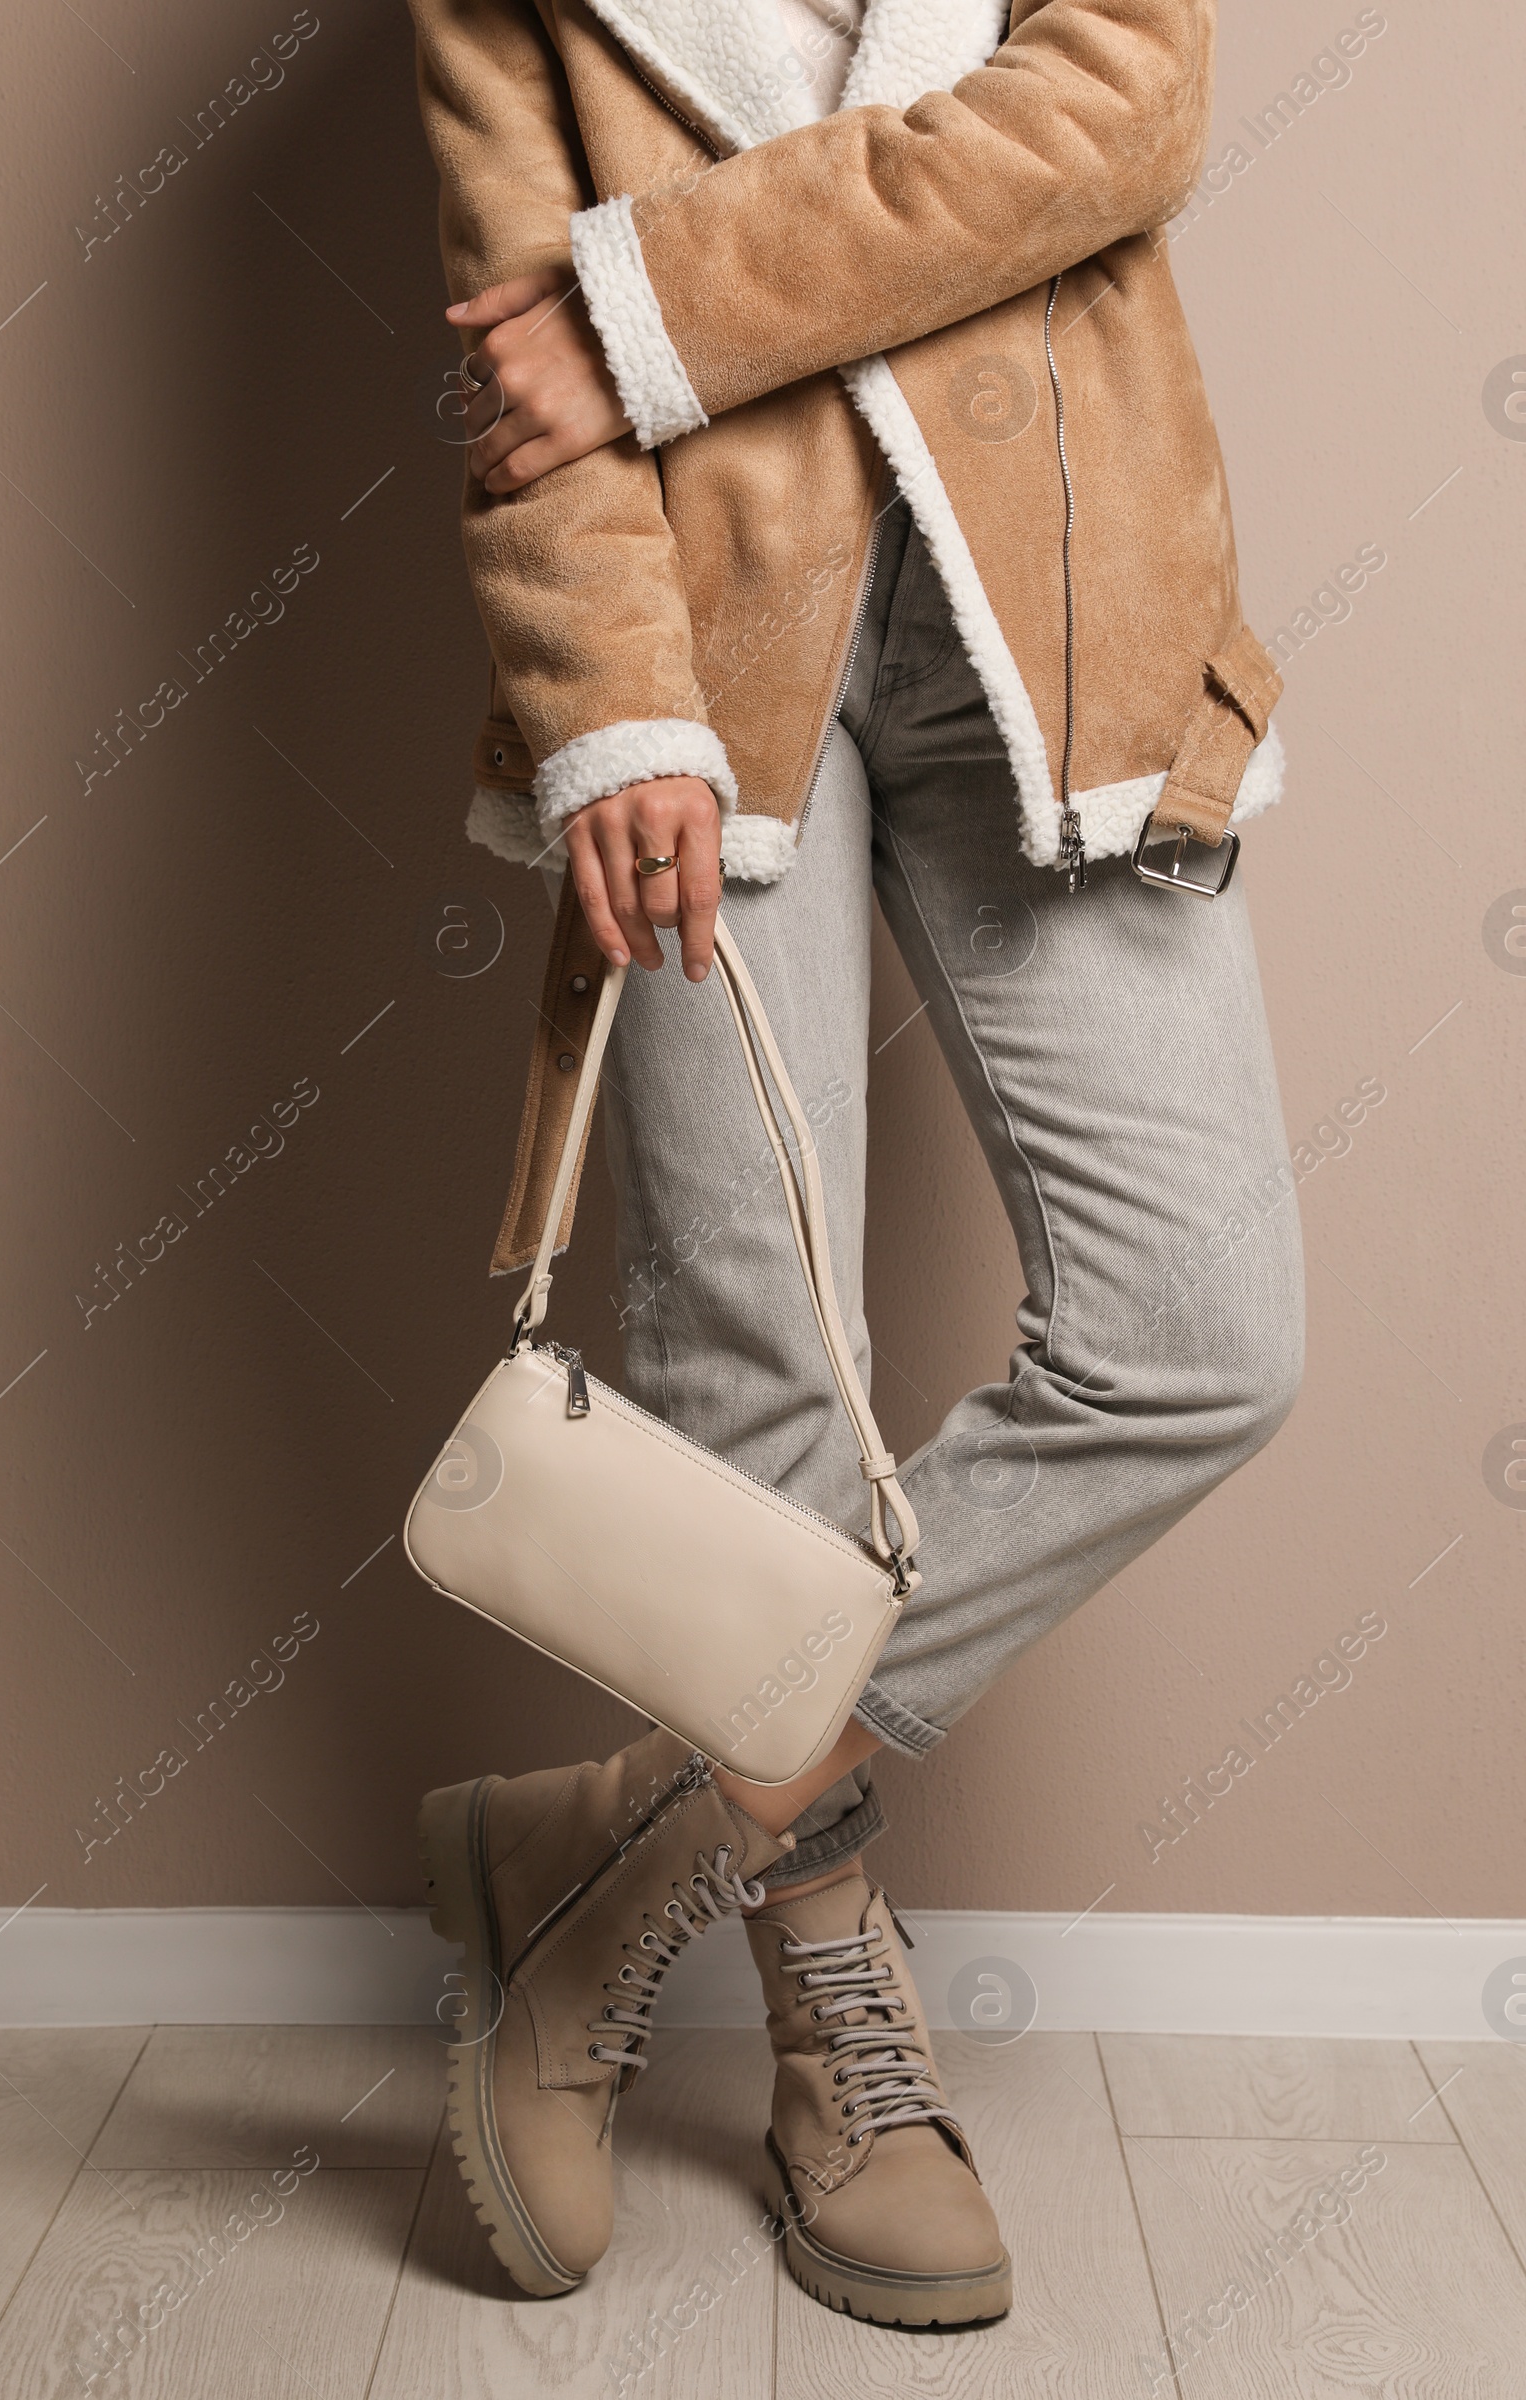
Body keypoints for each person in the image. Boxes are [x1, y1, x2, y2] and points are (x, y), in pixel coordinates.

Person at [406, 0, 1305, 2329]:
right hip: (701, 658)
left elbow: (1114, 115)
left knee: (1194, 1340)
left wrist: (647, 309)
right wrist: (605, 705)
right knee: (754, 1393)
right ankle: (830, 2021)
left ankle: (619, 1857)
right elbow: (515, 371)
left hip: (1064, 611)